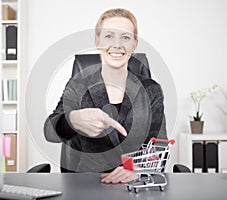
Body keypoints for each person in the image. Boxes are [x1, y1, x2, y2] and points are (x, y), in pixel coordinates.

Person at [44, 8, 167, 184]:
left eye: (125, 37)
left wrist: (137, 169)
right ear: (97, 41)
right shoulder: (78, 85)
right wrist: (72, 120)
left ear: (134, 44)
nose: (117, 44)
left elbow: (159, 145)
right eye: (109, 36)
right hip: (87, 185)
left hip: (134, 185)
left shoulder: (151, 90)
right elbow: (49, 131)